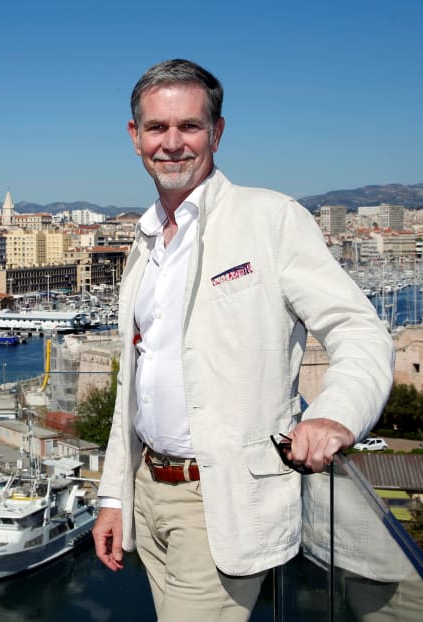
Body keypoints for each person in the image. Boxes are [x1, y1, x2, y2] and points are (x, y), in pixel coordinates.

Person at [91, 59, 395, 621]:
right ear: (135, 138)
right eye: (157, 128)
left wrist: (336, 414)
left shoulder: (270, 218)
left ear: (218, 132)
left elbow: (358, 328)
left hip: (221, 502)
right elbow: (133, 388)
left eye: (190, 126)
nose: (173, 143)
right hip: (148, 492)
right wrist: (114, 496)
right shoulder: (145, 238)